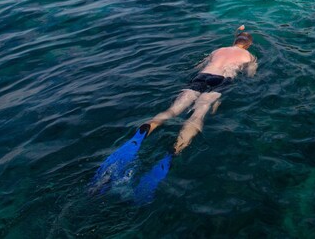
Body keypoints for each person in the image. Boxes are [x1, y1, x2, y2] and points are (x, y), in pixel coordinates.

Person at [90, 26, 258, 202]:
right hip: (222, 81)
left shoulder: (218, 50)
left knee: (171, 111)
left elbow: (197, 66)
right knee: (197, 116)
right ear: (248, 45)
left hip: (201, 77)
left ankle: (141, 135)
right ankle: (173, 151)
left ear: (235, 41)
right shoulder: (249, 56)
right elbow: (250, 75)